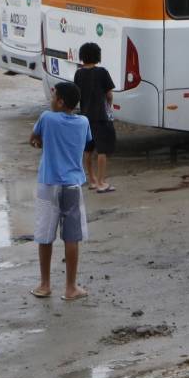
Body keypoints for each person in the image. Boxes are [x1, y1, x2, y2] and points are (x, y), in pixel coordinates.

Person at [29, 81, 92, 301]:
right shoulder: (83, 122)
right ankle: (70, 287)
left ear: (60, 101)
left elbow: (33, 139)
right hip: (72, 184)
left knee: (45, 235)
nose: (51, 98)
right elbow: (86, 144)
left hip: (48, 184)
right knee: (72, 237)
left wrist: (41, 142)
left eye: (53, 95)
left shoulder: (47, 118)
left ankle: (45, 284)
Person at [74, 42, 117, 193]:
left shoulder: (78, 73)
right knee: (102, 150)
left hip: (85, 117)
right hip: (100, 117)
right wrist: (109, 106)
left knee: (88, 150)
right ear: (98, 56)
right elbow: (109, 94)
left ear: (82, 56)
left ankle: (91, 180)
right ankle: (101, 182)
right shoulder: (102, 72)